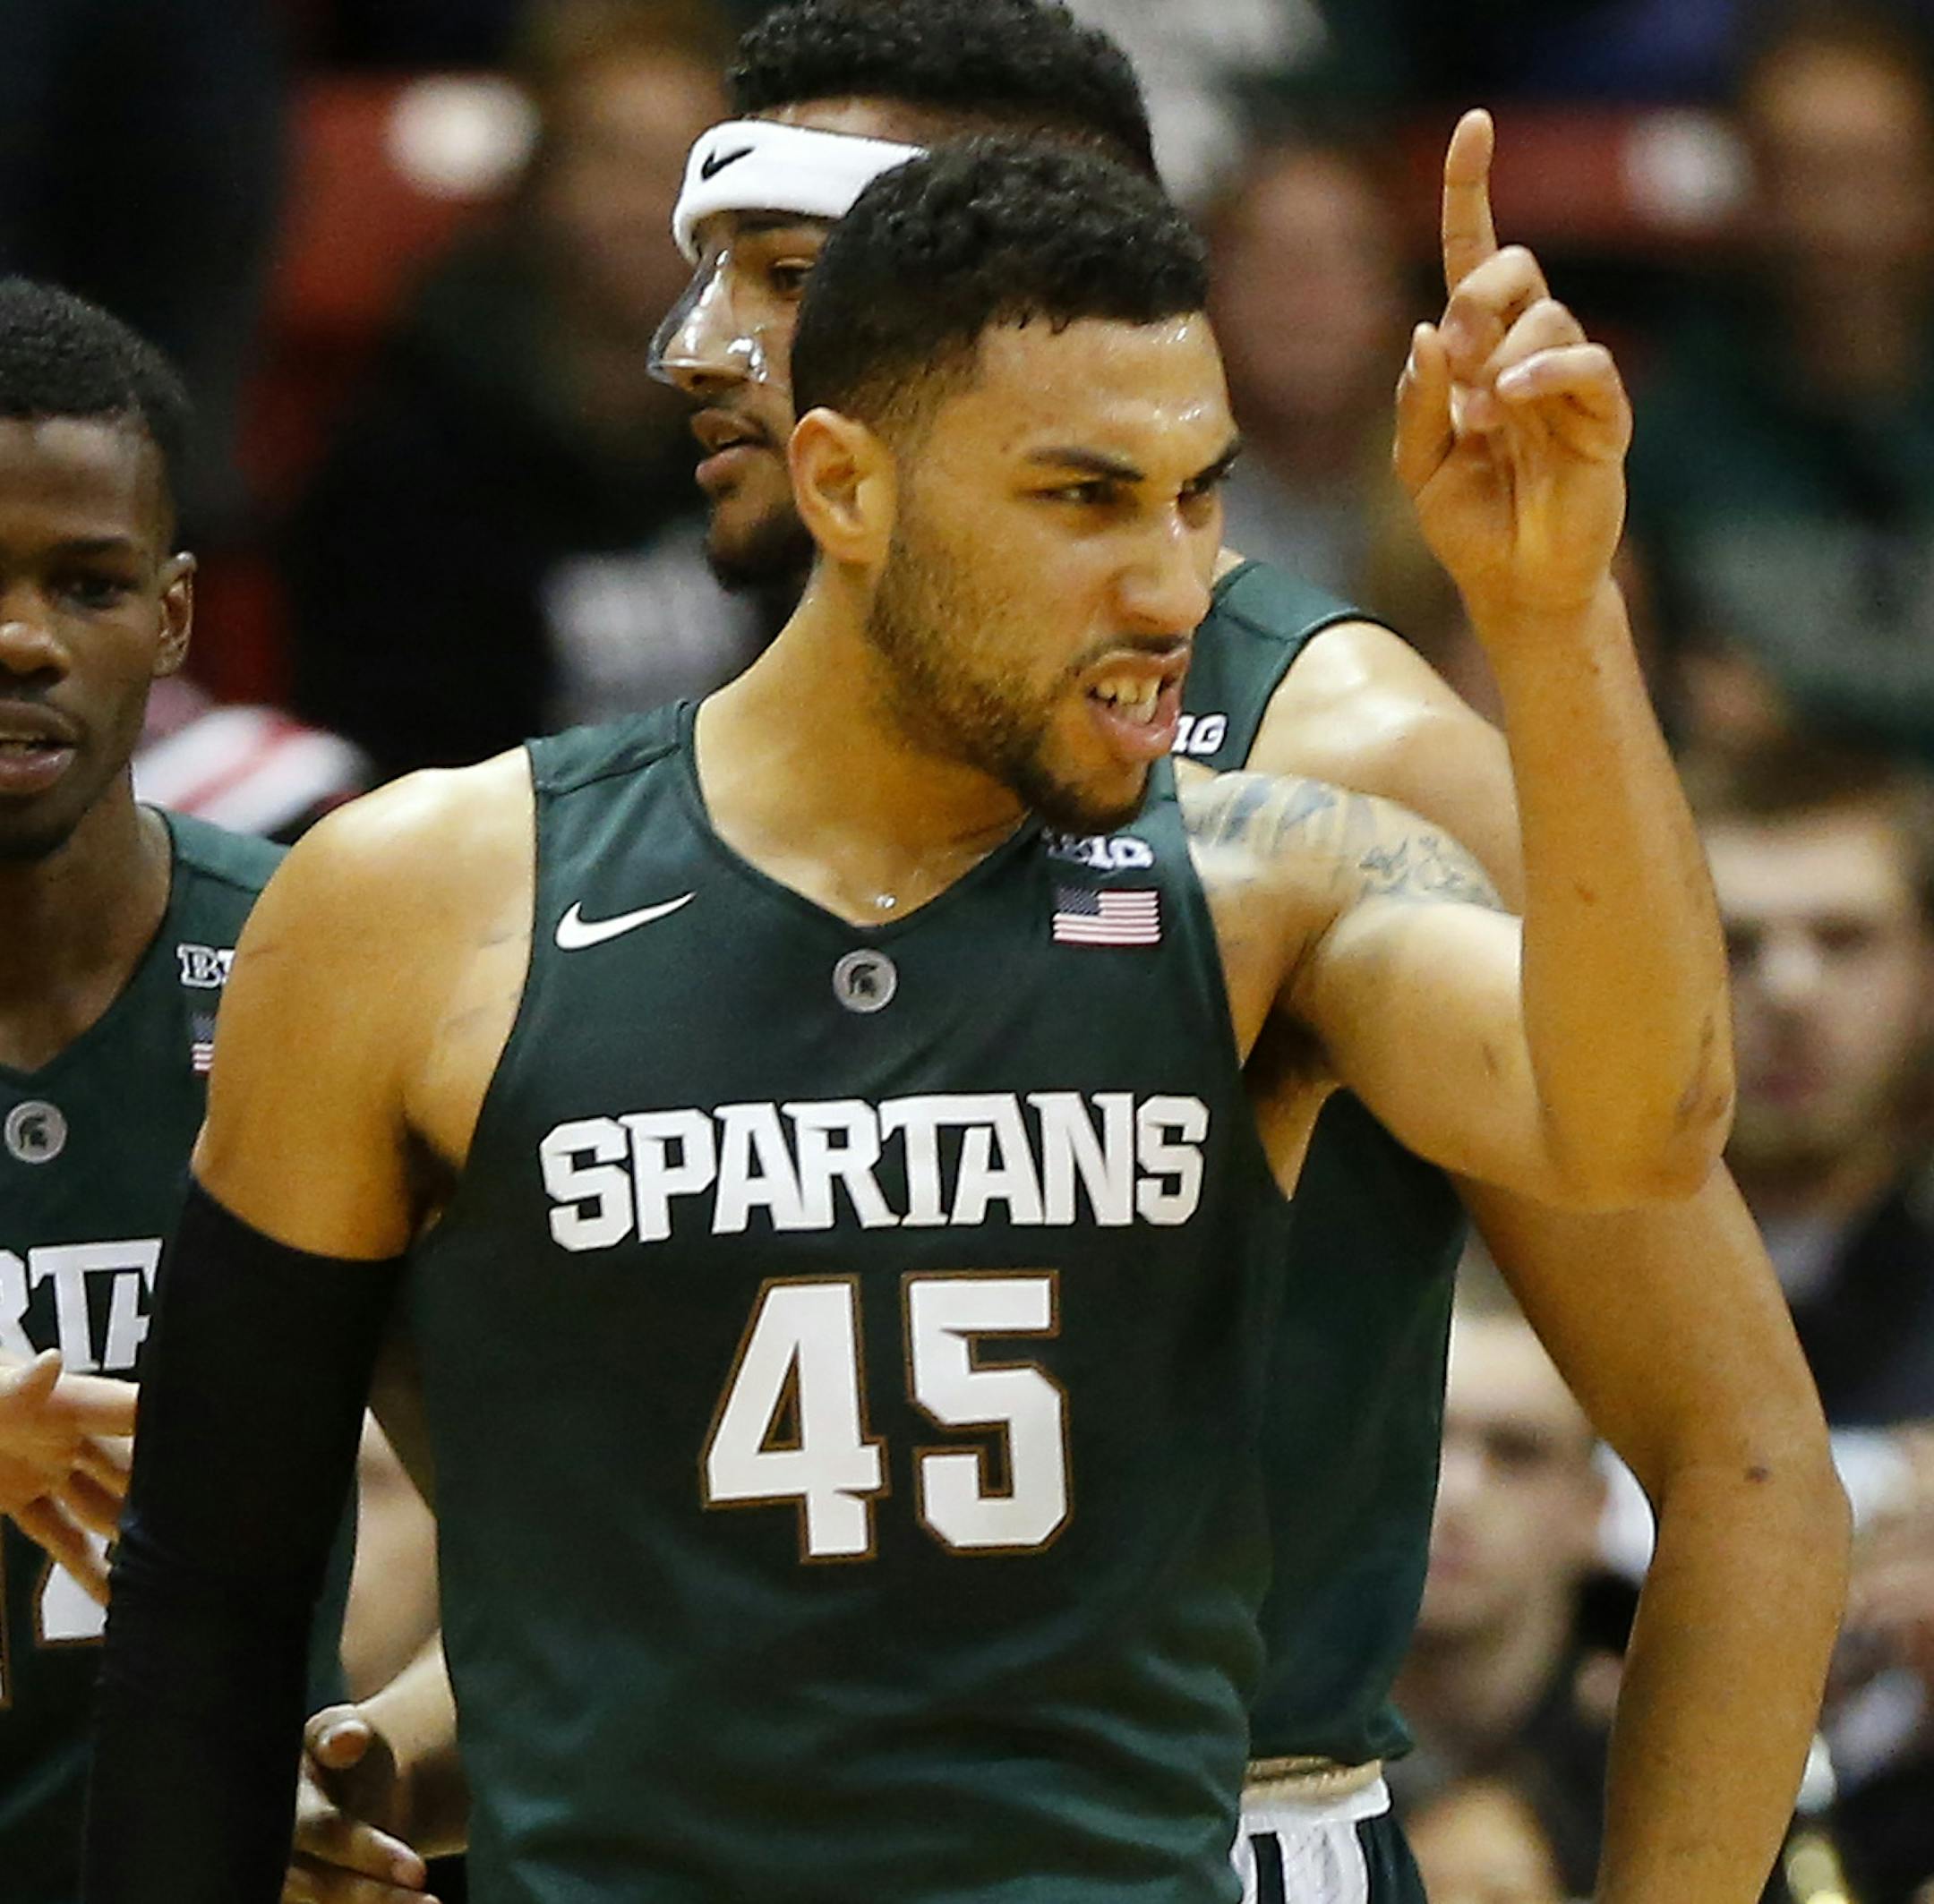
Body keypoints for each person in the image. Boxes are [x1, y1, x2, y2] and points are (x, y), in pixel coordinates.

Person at [289, 5, 1842, 1902]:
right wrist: (407, 1748)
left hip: (1216, 1833)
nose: (698, 351)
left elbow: (1748, 1467)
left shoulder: (1332, 751)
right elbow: (844, 1481)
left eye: (782, 276)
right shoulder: (745, 755)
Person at [0, 277, 383, 1904]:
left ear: (169, 620)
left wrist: (355, 1754)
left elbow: (467, 1477)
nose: (20, 634)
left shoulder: (327, 951)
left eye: (84, 584)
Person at [1391, 1270, 1617, 1896]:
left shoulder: (1670, 1761)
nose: (1455, 1493)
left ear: (1594, 1508)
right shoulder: (1239, 1736)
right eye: (1419, 1439)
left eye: (1518, 1452)